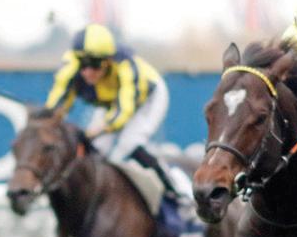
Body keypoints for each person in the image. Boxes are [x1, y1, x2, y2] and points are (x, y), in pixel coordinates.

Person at [45, 24, 194, 225]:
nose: (88, 71)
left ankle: (178, 190)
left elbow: (123, 114)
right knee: (97, 151)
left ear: (108, 61)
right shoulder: (70, 67)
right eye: (83, 64)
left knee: (129, 144)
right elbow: (57, 104)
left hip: (147, 98)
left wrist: (92, 132)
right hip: (112, 102)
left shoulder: (126, 68)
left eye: (95, 64)